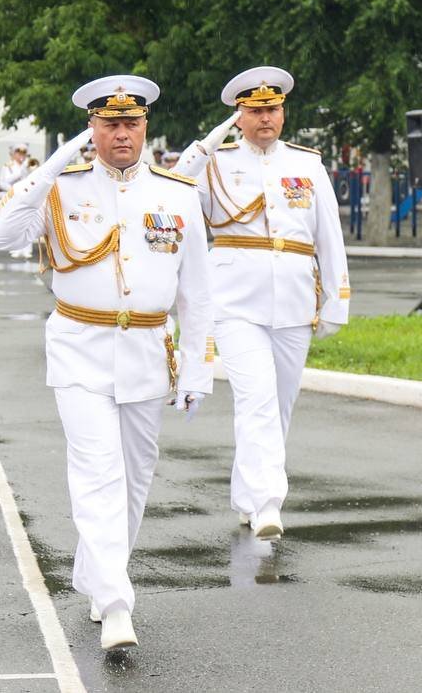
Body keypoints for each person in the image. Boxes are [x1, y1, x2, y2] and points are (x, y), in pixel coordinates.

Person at [0, 75, 213, 651]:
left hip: (148, 351)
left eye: (131, 123)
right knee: (97, 473)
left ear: (146, 126)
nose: (122, 134)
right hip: (79, 348)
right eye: (109, 124)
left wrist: (197, 368)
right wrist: (52, 166)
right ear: (92, 129)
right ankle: (115, 604)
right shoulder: (62, 188)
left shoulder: (177, 193)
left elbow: (197, 293)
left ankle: (98, 575)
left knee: (134, 479)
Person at [173, 66, 350, 540]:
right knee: (257, 398)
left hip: (294, 297)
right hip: (235, 300)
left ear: (283, 112)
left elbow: (329, 236)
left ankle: (247, 498)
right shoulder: (216, 162)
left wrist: (336, 299)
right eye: (254, 111)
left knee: (280, 405)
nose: (265, 118)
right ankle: (269, 502)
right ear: (239, 116)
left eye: (272, 109)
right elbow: (173, 186)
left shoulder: (307, 164)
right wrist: (209, 143)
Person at [0, 143, 34, 259]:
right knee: (14, 224)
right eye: (18, 153)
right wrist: (14, 190)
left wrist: (27, 168)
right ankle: (15, 248)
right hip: (14, 197)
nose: (21, 155)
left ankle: (27, 249)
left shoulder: (29, 165)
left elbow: (32, 179)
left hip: (27, 196)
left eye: (24, 153)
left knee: (27, 223)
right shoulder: (8, 166)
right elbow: (3, 182)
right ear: (13, 154)